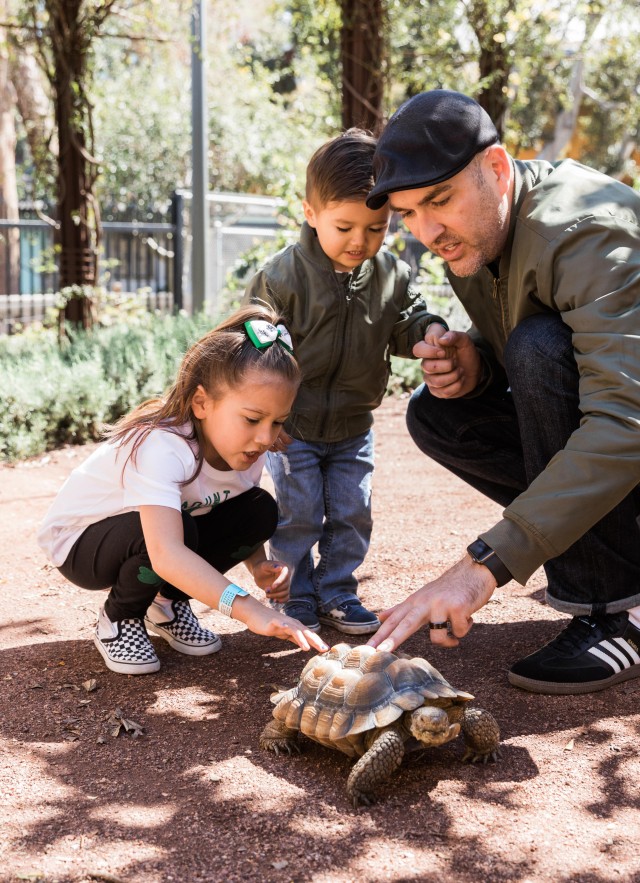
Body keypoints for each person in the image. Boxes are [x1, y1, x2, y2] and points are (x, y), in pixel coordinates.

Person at [365, 89, 640, 695]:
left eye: (439, 201)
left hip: (630, 427)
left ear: (495, 169)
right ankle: (609, 557)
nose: (427, 230)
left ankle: (613, 609)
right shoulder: (481, 228)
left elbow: (625, 422)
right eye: (409, 213)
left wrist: (480, 568)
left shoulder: (585, 232)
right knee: (439, 413)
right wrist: (480, 369)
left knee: (539, 349)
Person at [38, 304, 329, 675]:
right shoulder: (163, 446)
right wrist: (248, 609)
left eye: (278, 422)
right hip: (81, 544)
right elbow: (166, 553)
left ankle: (165, 605)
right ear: (202, 402)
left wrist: (258, 567)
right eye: (253, 419)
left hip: (164, 534)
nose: (265, 436)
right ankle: (120, 618)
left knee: (258, 509)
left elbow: (228, 506)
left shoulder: (247, 447)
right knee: (175, 534)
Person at [243, 129, 448, 635]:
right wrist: (266, 412)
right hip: (295, 425)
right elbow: (253, 342)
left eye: (376, 229)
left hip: (355, 422)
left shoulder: (390, 275)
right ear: (310, 214)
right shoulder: (282, 277)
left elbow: (406, 320)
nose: (360, 241)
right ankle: (294, 597)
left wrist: (429, 333)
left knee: (353, 513)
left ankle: (337, 592)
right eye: (344, 226)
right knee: (298, 515)